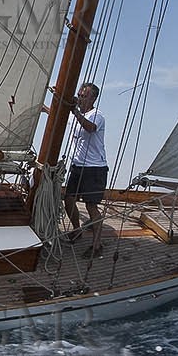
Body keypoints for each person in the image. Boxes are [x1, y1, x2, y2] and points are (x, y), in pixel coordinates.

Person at [61, 82, 108, 254]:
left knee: (91, 207)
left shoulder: (97, 115)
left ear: (93, 98)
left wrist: (74, 110)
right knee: (69, 200)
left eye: (84, 96)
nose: (80, 99)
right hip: (78, 166)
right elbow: (57, 116)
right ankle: (77, 229)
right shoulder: (77, 115)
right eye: (79, 96)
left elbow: (90, 128)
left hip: (95, 169)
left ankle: (96, 245)